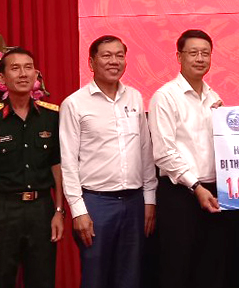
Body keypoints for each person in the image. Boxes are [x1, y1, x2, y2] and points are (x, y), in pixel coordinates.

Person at [60, 35, 157, 288]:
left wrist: (149, 199)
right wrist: (78, 210)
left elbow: (145, 150)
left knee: (131, 276)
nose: (114, 61)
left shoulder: (135, 97)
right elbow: (68, 161)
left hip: (134, 202)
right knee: (95, 278)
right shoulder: (74, 103)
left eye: (119, 55)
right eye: (106, 55)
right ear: (91, 62)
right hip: (96, 203)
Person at [0, 47, 64, 288]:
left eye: (28, 68)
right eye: (15, 68)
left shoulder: (52, 117)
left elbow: (58, 166)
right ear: (1, 78)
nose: (23, 74)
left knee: (42, 280)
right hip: (1, 211)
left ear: (36, 75)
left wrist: (59, 210)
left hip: (41, 210)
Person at [148, 29, 225, 288]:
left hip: (214, 192)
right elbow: (164, 152)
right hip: (181, 194)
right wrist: (196, 187)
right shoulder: (165, 97)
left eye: (205, 53)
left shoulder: (214, 98)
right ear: (179, 56)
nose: (200, 58)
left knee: (210, 267)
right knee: (177, 267)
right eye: (193, 53)